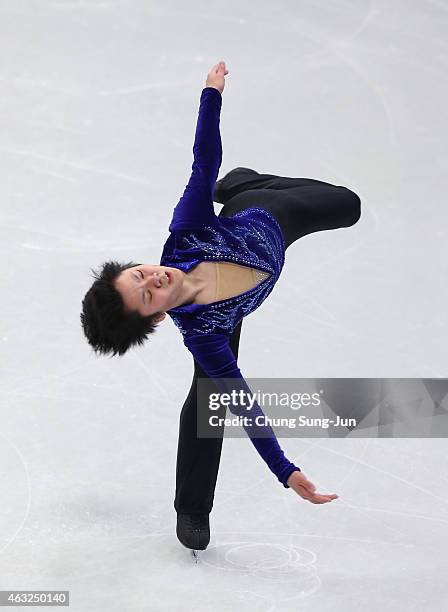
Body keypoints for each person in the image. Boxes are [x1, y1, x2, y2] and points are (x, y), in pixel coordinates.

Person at [80, 60, 361, 553]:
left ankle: (241, 185)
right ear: (159, 315)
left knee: (349, 204)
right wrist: (286, 472)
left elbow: (202, 159)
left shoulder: (187, 231)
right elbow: (245, 405)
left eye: (140, 272)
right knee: (210, 398)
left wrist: (211, 95)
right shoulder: (204, 333)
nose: (155, 277)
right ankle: (192, 508)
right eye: (148, 293)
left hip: (267, 215)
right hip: (228, 310)